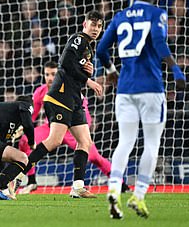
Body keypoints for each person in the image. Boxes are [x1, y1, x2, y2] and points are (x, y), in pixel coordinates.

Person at [96, 0, 186, 219]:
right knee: (152, 143)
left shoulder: (119, 16)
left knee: (125, 141)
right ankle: (139, 195)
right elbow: (158, 42)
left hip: (125, 89)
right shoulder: (157, 13)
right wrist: (176, 69)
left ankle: (114, 187)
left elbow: (101, 49)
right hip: (150, 88)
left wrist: (112, 71)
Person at [22, 11, 105, 199]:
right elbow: (66, 62)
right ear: (85, 24)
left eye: (99, 26)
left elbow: (75, 67)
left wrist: (87, 72)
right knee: (54, 141)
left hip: (74, 100)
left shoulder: (88, 49)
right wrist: (88, 80)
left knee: (85, 142)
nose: (95, 29)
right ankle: (16, 174)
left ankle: (77, 186)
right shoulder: (79, 38)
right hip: (61, 98)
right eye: (93, 25)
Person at [18, 61, 118, 194]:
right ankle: (31, 182)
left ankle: (120, 183)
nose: (49, 78)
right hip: (52, 128)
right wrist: (23, 127)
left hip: (72, 130)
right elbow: (33, 115)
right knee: (25, 140)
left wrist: (84, 130)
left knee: (93, 156)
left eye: (53, 74)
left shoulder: (70, 89)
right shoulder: (40, 91)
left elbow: (84, 113)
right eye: (47, 74)